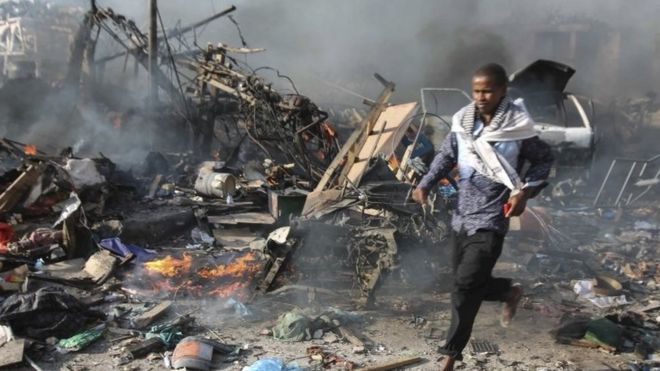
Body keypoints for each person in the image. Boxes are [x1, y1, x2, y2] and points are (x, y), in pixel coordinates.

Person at [412, 63, 554, 371]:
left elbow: (544, 161)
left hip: (491, 220)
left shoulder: (518, 127)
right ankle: (507, 291)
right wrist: (425, 184)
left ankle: (450, 356)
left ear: (502, 91)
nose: (481, 96)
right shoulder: (463, 122)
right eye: (476, 90)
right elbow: (447, 155)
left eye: (488, 90)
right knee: (464, 284)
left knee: (464, 287)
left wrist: (524, 193)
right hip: (462, 218)